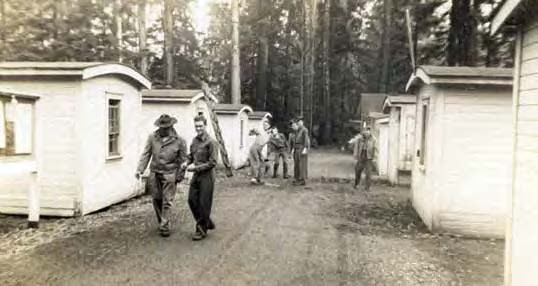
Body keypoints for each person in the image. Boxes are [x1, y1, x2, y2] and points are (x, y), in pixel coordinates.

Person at [136, 114, 188, 237]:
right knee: (156, 199)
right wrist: (140, 169)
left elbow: (183, 160)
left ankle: (164, 226)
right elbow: (146, 154)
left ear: (171, 126)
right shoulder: (152, 137)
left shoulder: (180, 141)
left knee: (167, 201)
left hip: (170, 174)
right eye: (161, 127)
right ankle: (162, 221)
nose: (163, 130)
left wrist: (179, 176)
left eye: (166, 127)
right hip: (154, 173)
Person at [182, 114, 218, 241]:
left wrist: (195, 168)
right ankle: (206, 221)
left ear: (205, 126)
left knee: (204, 203)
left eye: (200, 126)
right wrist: (186, 162)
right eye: (196, 126)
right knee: (191, 200)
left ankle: (201, 230)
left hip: (207, 176)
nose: (198, 129)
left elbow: (213, 162)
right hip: (197, 175)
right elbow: (191, 155)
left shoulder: (211, 142)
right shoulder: (195, 141)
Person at [353, 127, 377, 191]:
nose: (366, 132)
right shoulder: (360, 139)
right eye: (365, 131)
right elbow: (356, 147)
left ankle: (367, 187)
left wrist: (374, 158)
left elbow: (375, 149)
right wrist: (356, 155)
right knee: (357, 170)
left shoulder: (373, 139)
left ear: (370, 132)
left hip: (369, 157)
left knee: (368, 173)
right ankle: (356, 184)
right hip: (361, 156)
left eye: (368, 131)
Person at [291, 116, 310, 186]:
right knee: (297, 165)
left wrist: (305, 148)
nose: (299, 123)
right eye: (298, 121)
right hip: (297, 148)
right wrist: (293, 148)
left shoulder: (304, 130)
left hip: (302, 148)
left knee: (302, 165)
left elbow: (306, 140)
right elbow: (295, 140)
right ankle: (297, 179)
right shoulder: (297, 130)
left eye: (300, 121)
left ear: (302, 122)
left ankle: (302, 180)